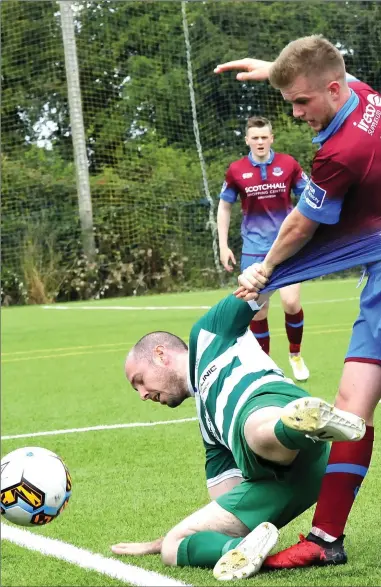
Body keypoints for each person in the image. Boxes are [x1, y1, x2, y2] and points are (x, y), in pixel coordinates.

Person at [214, 34, 381, 568]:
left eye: (302, 103)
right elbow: (333, 72)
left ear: (331, 90)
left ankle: (325, 538)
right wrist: (280, 70)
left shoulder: (340, 153)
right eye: (290, 104)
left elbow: (302, 225)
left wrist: (263, 270)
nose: (296, 115)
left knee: (354, 403)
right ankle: (326, 539)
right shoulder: (365, 97)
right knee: (352, 404)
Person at [111, 291, 365, 580]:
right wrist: (169, 537)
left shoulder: (208, 333)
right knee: (173, 546)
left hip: (269, 404)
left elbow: (259, 287)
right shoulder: (208, 427)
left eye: (140, 381)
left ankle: (301, 424)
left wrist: (264, 268)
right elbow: (228, 498)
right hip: (287, 484)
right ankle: (244, 552)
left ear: (160, 354)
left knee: (252, 430)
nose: (143, 395)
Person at [217, 115, 309, 381]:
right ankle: (266, 367)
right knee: (258, 309)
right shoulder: (236, 170)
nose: (259, 142)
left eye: (264, 137)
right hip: (255, 250)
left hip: (289, 246)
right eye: (254, 137)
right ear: (247, 140)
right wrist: (223, 246)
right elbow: (224, 206)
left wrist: (310, 232)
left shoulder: (288, 164)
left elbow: (308, 198)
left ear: (272, 138)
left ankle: (295, 355)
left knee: (291, 303)